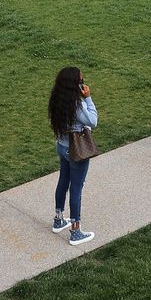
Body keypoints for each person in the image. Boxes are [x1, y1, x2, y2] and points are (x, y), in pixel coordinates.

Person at [49, 66, 99, 246]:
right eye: (81, 81)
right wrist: (88, 98)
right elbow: (93, 121)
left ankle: (58, 219)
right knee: (76, 188)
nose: (82, 84)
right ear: (74, 85)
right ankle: (76, 231)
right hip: (76, 150)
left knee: (63, 181)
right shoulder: (76, 105)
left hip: (62, 147)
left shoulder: (57, 99)